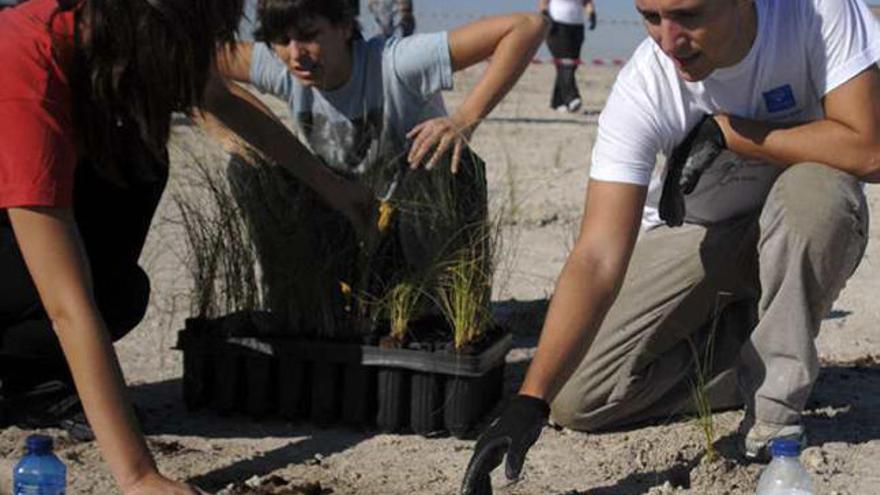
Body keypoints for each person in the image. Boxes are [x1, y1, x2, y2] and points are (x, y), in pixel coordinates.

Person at [461, 0, 880, 493]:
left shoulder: (815, 13)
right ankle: (756, 349)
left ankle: (775, 409)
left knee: (817, 193)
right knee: (580, 399)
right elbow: (597, 256)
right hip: (703, 240)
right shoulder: (645, 83)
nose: (668, 40)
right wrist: (529, 400)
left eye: (689, 15)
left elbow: (868, 150)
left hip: (802, 227)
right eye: (650, 16)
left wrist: (733, 134)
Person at [0, 0, 354, 493]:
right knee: (85, 299)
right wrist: (141, 476)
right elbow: (66, 305)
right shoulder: (25, 66)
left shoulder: (117, 32)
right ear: (144, 36)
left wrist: (334, 189)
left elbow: (221, 98)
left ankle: (31, 385)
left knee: (120, 289)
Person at [201, 0, 548, 333]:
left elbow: (526, 26)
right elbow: (190, 62)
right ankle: (307, 312)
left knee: (446, 163)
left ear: (344, 26)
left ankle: (429, 314)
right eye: (281, 41)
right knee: (250, 169)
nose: (295, 55)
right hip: (348, 220)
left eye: (309, 36)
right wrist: (227, 133)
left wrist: (464, 119)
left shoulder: (396, 62)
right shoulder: (281, 64)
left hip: (418, 229)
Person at [539, 0, 596, 112]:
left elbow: (587, 2)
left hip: (577, 26)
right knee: (566, 64)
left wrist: (592, 14)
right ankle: (572, 98)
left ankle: (557, 102)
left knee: (572, 65)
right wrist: (545, 14)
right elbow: (543, 2)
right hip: (556, 25)